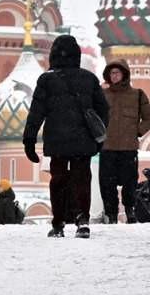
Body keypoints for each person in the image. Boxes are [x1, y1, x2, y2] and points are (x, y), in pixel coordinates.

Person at [22, 35, 110, 239]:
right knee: (82, 180)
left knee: (58, 180)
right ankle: (82, 221)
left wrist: (29, 140)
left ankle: (59, 223)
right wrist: (99, 137)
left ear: (54, 55)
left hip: (57, 140)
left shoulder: (47, 80)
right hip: (82, 140)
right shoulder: (89, 79)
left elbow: (36, 112)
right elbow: (103, 111)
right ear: (77, 55)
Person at [99, 60, 150, 224]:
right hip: (107, 147)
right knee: (106, 185)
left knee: (130, 183)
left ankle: (130, 212)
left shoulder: (137, 94)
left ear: (124, 74)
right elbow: (93, 115)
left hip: (128, 147)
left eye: (117, 72)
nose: (114, 76)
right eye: (111, 73)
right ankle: (111, 215)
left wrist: (137, 131)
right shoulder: (102, 95)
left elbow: (149, 117)